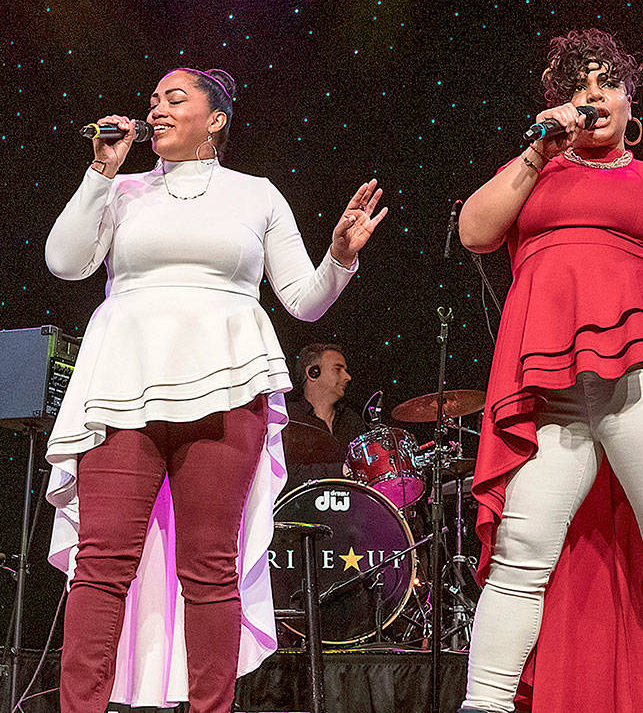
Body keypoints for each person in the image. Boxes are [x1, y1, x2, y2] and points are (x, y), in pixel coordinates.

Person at [44, 67, 386, 713]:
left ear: (217, 118)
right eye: (153, 101)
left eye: (176, 99)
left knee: (209, 568)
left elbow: (303, 302)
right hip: (124, 383)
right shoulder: (125, 191)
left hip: (228, 381)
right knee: (102, 564)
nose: (158, 109)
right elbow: (65, 262)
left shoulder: (255, 195)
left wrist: (339, 258)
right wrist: (100, 174)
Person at [456, 28, 643, 713]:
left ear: (629, 98)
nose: (594, 97)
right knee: (520, 558)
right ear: (560, 104)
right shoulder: (532, 170)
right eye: (578, 87)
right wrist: (537, 151)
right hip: (549, 387)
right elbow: (475, 231)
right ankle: (486, 704)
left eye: (607, 83)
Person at [283, 343, 368, 487]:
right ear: (313, 373)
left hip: (352, 507)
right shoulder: (288, 417)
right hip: (301, 507)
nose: (348, 377)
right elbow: (283, 475)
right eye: (338, 369)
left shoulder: (351, 420)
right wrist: (340, 470)